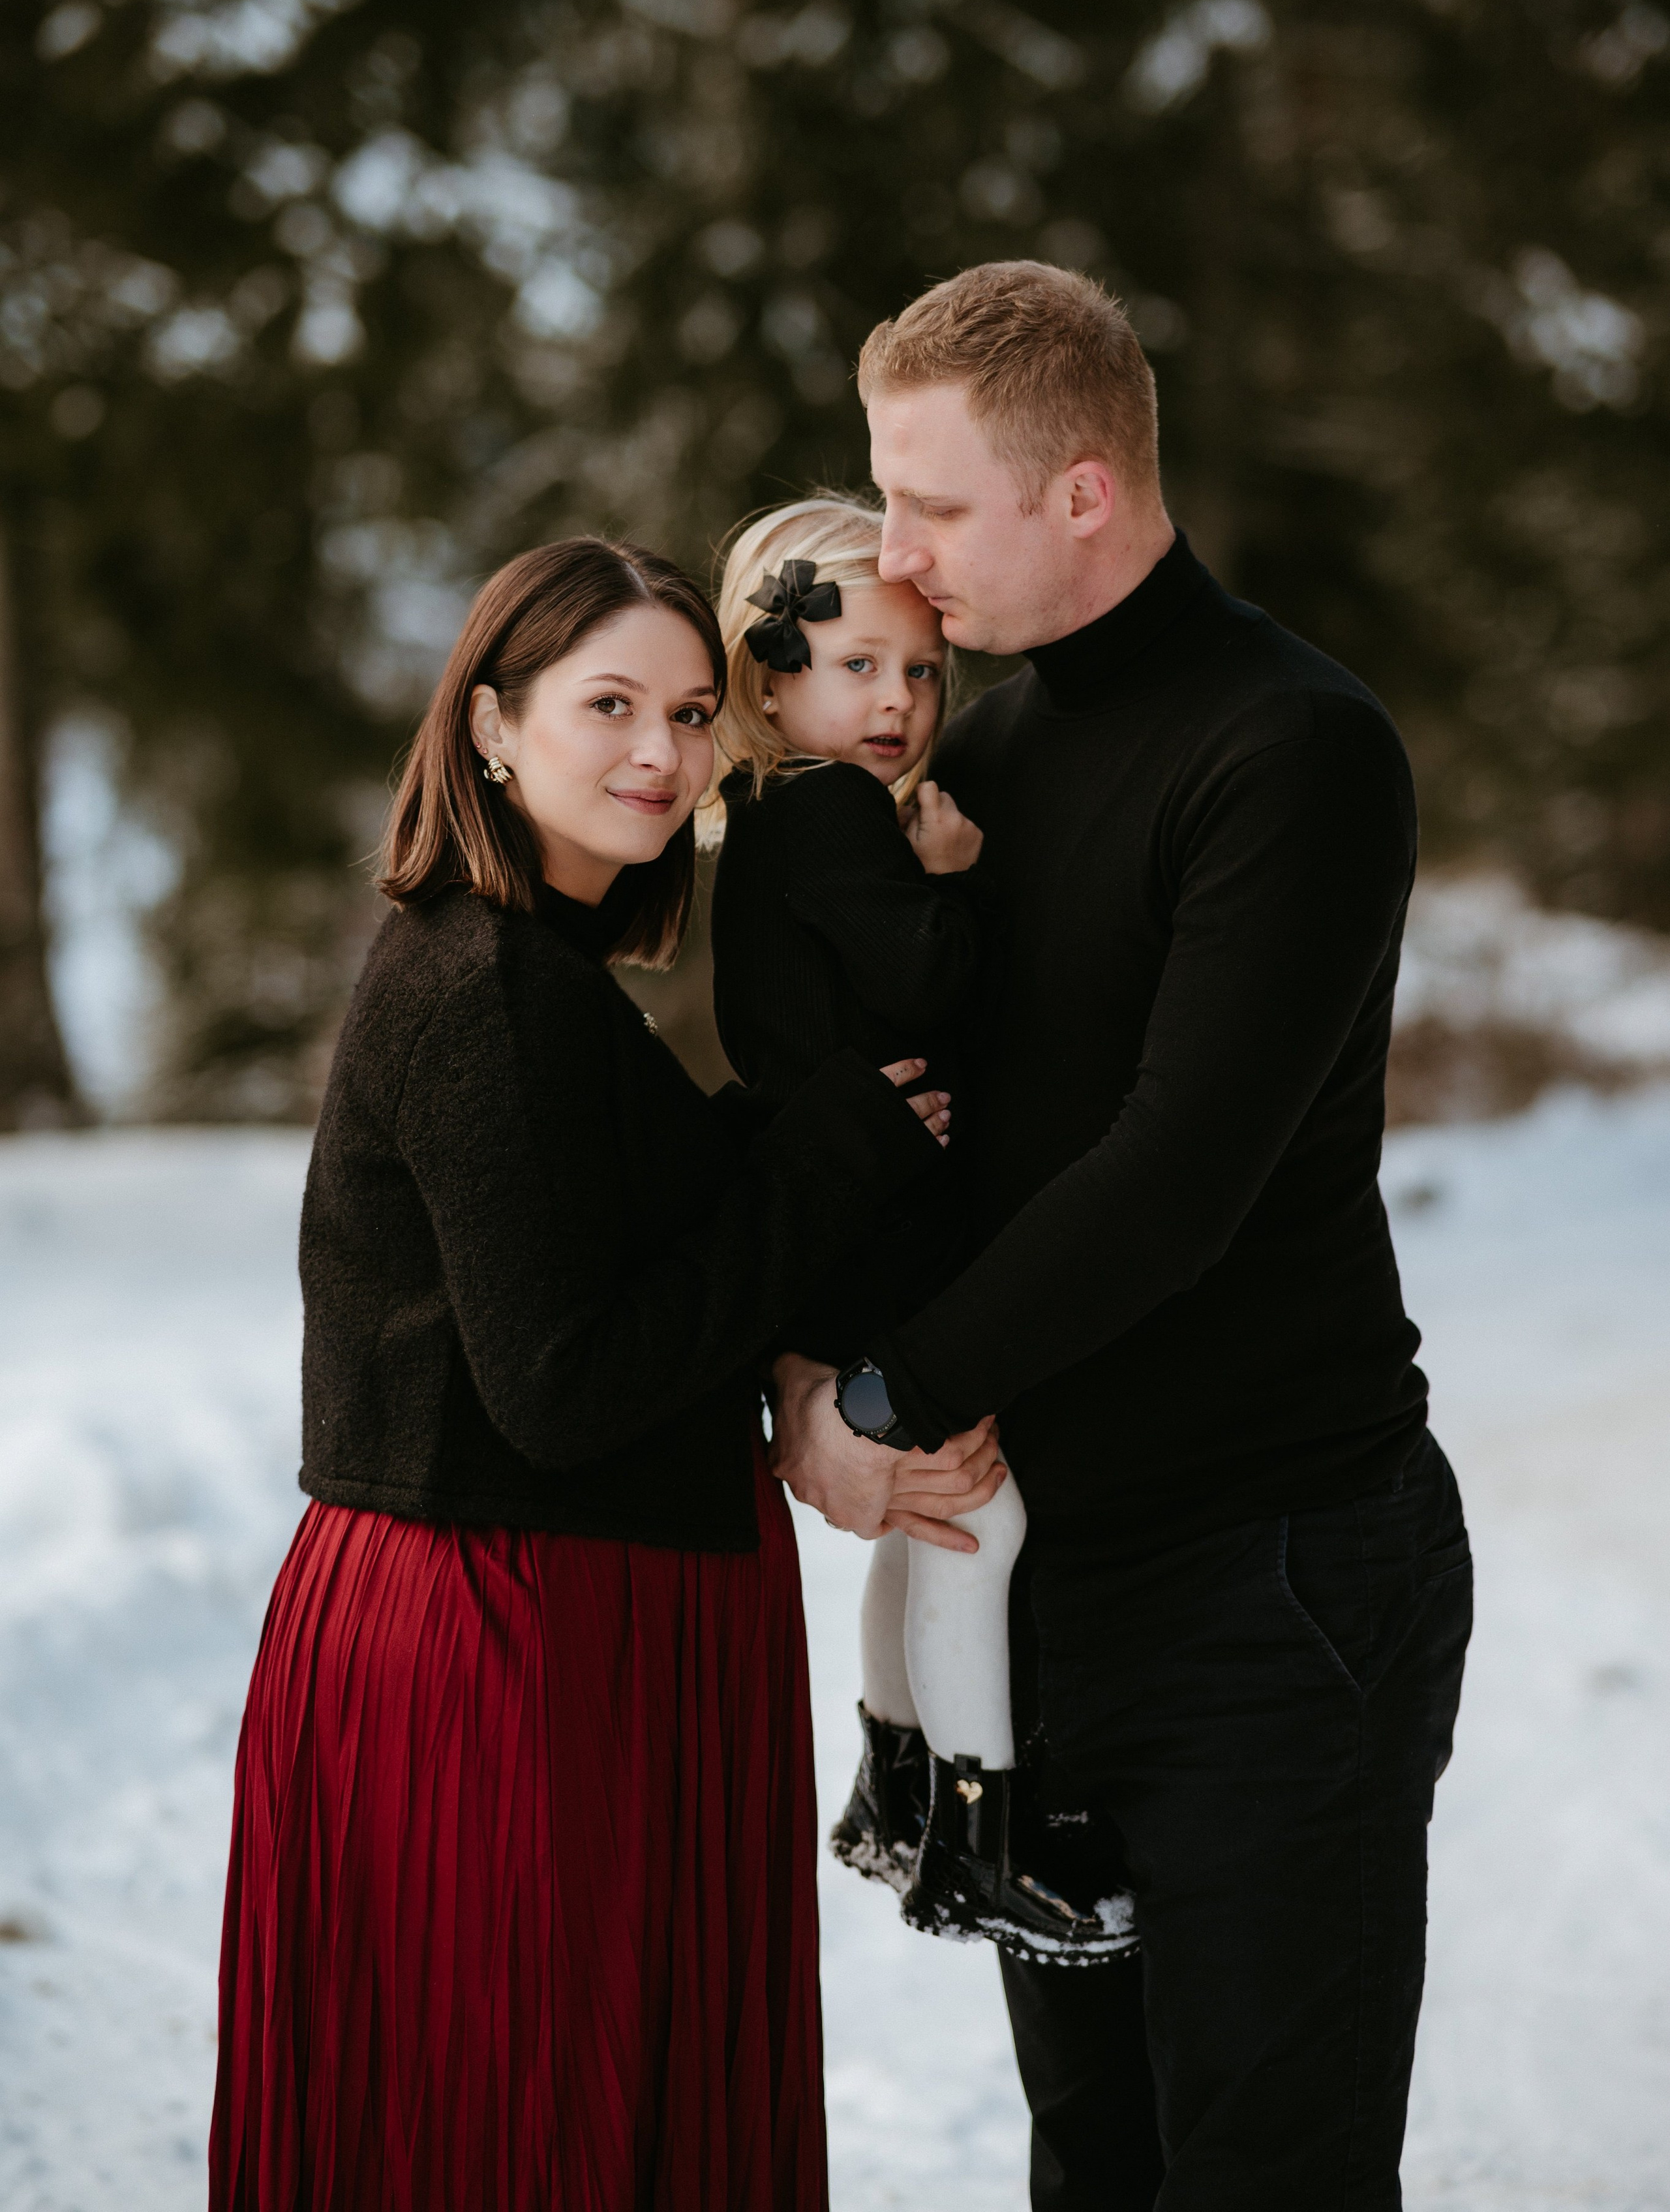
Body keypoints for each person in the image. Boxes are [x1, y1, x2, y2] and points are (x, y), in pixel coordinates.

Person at [770, 262, 1473, 2209]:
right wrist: (807, 1355)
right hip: (1057, 1582)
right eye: (881, 495)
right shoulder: (981, 760)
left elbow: (1175, 1178)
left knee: (1266, 2168)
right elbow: (918, 1134)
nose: (894, 561)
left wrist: (896, 1400)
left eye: (933, 506)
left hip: (1277, 1585)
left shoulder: (1294, 751)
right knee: (1095, 2153)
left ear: (1085, 489)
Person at [208, 532, 1002, 2212]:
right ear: (492, 725)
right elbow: (561, 1378)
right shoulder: (486, 985)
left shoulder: (542, 972)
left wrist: (782, 1167)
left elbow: (611, 1236)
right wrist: (829, 1157)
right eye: (609, 705)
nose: (661, 752)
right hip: (510, 1653)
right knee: (525, 2132)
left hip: (571, 1625)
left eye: (694, 712)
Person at [704, 495, 1131, 1965]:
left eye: (919, 672)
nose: (893, 701)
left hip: (847, 1210)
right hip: (881, 1217)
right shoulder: (827, 815)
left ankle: (892, 1788)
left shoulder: (778, 819)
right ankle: (974, 1840)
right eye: (853, 668)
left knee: (918, 1509)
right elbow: (934, 981)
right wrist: (960, 884)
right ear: (768, 685)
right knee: (973, 1513)